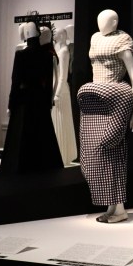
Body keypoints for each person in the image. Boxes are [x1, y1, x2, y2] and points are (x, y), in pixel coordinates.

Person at [77, 9, 133, 223]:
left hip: (116, 97)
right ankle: (111, 206)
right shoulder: (95, 38)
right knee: (91, 154)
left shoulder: (123, 41)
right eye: (98, 19)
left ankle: (119, 209)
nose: (100, 23)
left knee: (112, 149)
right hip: (96, 99)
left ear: (115, 22)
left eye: (106, 20)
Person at [0, 22, 63, 174]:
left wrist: (11, 104)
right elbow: (49, 83)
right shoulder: (47, 55)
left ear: (27, 34)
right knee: (42, 136)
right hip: (40, 101)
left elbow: (15, 82)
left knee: (21, 137)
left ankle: (19, 168)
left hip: (23, 101)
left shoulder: (21, 55)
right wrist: (48, 103)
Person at [51, 25, 78, 166]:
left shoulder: (63, 51)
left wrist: (57, 94)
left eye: (56, 33)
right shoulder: (58, 50)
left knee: (61, 121)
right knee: (56, 121)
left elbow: (63, 76)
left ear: (62, 35)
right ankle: (57, 154)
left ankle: (63, 154)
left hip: (61, 91)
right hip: (56, 89)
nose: (54, 35)